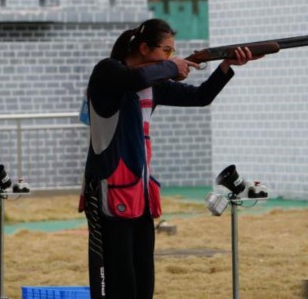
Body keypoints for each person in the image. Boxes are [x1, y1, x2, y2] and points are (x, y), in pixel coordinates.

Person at [80, 18, 262, 298]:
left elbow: (202, 96)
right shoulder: (108, 72)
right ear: (143, 48)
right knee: (119, 282)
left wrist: (225, 66)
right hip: (109, 190)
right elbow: (134, 78)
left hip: (140, 195)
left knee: (144, 282)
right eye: (166, 51)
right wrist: (172, 67)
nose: (172, 57)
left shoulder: (153, 84)